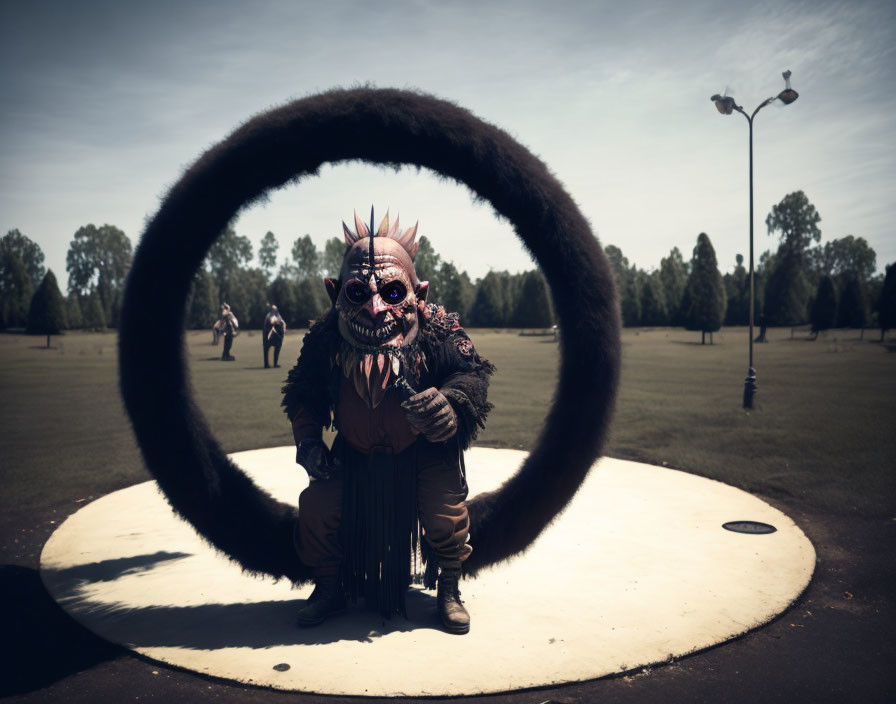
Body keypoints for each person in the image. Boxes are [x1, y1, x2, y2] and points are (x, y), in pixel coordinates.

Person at [282, 209, 493, 635]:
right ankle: (328, 587)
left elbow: (473, 375)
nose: (375, 309)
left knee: (444, 510)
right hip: (353, 455)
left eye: (393, 292)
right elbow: (303, 393)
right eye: (358, 291)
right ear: (334, 292)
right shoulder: (325, 337)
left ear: (420, 291)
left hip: (423, 452)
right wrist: (308, 442)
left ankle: (449, 589)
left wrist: (452, 403)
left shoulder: (440, 328)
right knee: (318, 507)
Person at [263, 304, 286, 368]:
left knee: (277, 349)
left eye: (274, 310)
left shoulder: (278, 316)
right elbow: (267, 325)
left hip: (276, 336)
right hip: (268, 335)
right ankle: (266, 364)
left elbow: (281, 324)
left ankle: (275, 364)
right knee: (266, 349)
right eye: (272, 310)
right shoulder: (268, 316)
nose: (274, 311)